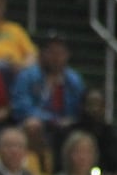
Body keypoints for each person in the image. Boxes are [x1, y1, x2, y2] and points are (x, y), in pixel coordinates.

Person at [10, 33, 85, 161]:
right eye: (52, 53)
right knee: (32, 125)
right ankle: (41, 167)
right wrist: (52, 120)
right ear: (43, 54)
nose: (56, 58)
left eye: (60, 53)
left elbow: (80, 107)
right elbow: (21, 107)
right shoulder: (28, 76)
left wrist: (71, 120)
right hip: (41, 125)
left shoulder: (73, 80)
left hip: (66, 125)